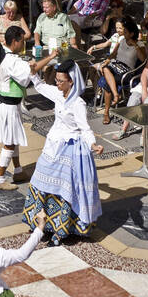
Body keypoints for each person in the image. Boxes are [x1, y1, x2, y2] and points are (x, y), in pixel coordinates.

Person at [22, 56, 101, 243]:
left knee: (64, 190)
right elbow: (40, 86)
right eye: (56, 80)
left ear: (71, 81)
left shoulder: (78, 104)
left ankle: (61, 230)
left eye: (60, 81)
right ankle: (42, 223)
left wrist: (93, 144)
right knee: (40, 181)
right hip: (52, 147)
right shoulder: (58, 93)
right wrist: (34, 73)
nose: (57, 83)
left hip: (70, 150)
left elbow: (85, 128)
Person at [0, 25, 33, 188]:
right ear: (14, 41)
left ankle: (18, 170)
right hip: (9, 106)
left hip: (2, 103)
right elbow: (26, 76)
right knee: (9, 142)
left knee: (12, 138)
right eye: (22, 41)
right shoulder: (11, 60)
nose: (23, 44)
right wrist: (47, 59)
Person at [94, 15, 145, 125]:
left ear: (132, 33)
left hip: (127, 72)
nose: (123, 34)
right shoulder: (121, 40)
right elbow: (113, 54)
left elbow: (143, 59)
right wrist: (107, 61)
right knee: (105, 69)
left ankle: (107, 113)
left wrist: (135, 45)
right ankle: (116, 95)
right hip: (115, 66)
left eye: (126, 32)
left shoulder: (139, 44)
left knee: (107, 82)